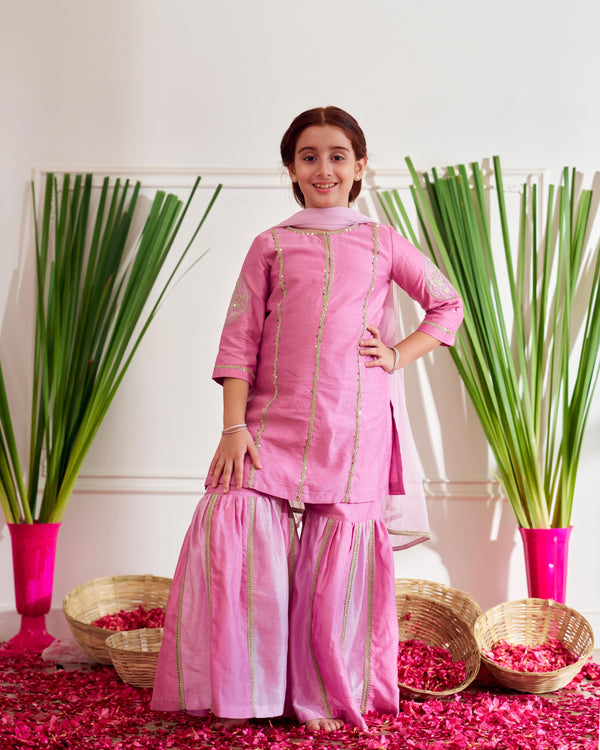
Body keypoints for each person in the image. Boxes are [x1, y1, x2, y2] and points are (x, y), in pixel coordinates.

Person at [151, 106, 463, 733]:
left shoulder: (383, 242)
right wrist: (233, 428)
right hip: (269, 423)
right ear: (291, 169)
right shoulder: (270, 244)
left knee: (335, 568)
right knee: (238, 534)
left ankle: (320, 696)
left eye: (337, 156)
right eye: (310, 156)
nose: (325, 168)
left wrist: (396, 355)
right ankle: (245, 692)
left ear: (360, 165)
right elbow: (239, 341)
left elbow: (446, 304)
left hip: (355, 426)